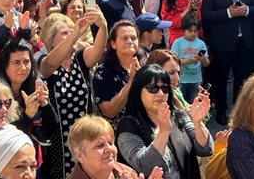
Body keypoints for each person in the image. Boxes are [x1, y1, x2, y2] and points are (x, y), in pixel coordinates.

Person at [38, 9, 108, 179]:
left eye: (72, 30)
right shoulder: (45, 62)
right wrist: (75, 33)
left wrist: (103, 26)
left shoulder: (80, 58)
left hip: (85, 137)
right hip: (59, 140)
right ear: (52, 41)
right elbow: (49, 66)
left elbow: (97, 51)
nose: (71, 34)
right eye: (65, 33)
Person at [116, 65, 213, 179]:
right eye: (153, 88)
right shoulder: (128, 126)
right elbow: (145, 166)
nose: (161, 93)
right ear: (138, 91)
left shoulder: (178, 115)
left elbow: (206, 149)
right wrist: (164, 131)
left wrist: (197, 123)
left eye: (165, 88)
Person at [201, 0, 254, 126]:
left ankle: (238, 110)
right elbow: (207, 15)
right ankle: (221, 110)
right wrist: (228, 13)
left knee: (242, 79)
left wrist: (247, 10)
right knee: (221, 79)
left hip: (245, 41)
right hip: (223, 43)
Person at [66, 115, 163, 179]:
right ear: (80, 156)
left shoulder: (127, 172)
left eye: (111, 143)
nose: (109, 149)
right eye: (100, 145)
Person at [170, 15, 209, 103]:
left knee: (193, 103)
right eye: (190, 31)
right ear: (184, 30)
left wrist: (202, 59)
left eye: (195, 31)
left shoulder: (201, 44)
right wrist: (189, 61)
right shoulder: (178, 42)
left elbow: (207, 63)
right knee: (180, 104)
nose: (193, 33)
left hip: (196, 80)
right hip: (180, 80)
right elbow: (173, 62)